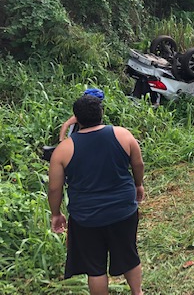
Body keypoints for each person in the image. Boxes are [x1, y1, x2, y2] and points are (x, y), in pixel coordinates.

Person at [48, 95, 145, 295]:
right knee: (129, 255)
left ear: (77, 119)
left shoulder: (64, 149)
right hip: (123, 211)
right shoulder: (123, 135)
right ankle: (138, 293)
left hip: (86, 217)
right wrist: (138, 185)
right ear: (101, 113)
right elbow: (138, 164)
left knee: (95, 268)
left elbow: (54, 188)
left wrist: (56, 213)